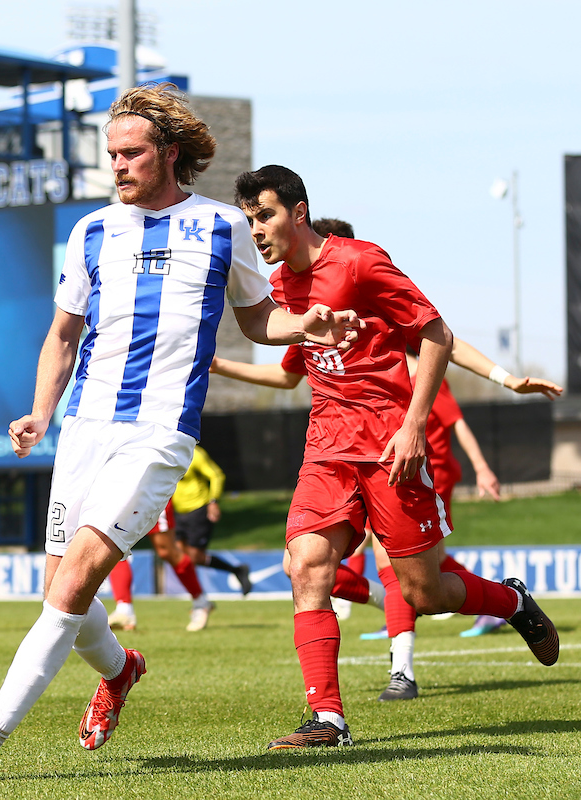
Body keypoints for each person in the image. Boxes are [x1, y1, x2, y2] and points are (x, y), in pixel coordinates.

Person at [0, 84, 361, 785]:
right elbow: (62, 335)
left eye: (131, 153)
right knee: (60, 593)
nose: (118, 166)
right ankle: (122, 669)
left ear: (169, 154)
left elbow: (257, 321)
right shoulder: (91, 230)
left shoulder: (223, 226)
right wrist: (42, 411)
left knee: (72, 587)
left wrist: (305, 325)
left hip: (159, 433)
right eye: (112, 155)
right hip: (84, 428)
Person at [230, 165, 558, 749]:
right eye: (250, 219)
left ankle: (511, 599)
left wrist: (413, 427)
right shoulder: (276, 289)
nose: (256, 230)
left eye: (265, 215)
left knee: (423, 593)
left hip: (390, 447)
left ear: (298, 212)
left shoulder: (358, 262)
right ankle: (328, 718)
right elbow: (266, 338)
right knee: (305, 564)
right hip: (327, 448)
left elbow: (436, 333)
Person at [107, 445, 252, 632]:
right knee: (112, 545)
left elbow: (216, 475)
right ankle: (124, 609)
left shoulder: (192, 452)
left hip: (167, 499)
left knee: (172, 553)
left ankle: (202, 600)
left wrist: (213, 502)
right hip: (155, 502)